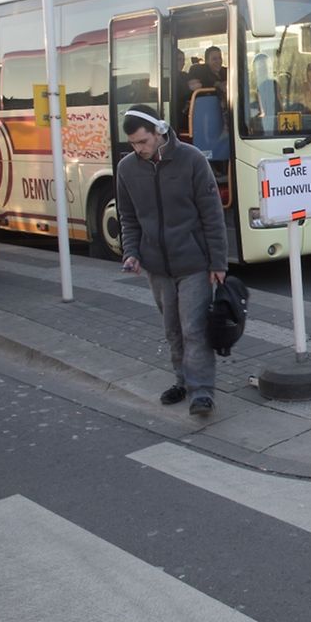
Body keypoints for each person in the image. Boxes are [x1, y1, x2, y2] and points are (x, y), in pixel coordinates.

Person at [117, 105, 227, 417]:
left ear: (159, 132)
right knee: (173, 329)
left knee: (194, 328)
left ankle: (202, 392)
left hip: (194, 262)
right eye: (134, 144)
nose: (139, 149)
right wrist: (132, 252)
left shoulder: (191, 159)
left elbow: (212, 215)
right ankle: (182, 381)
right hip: (157, 266)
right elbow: (128, 217)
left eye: (143, 142)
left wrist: (218, 263)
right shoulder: (127, 169)